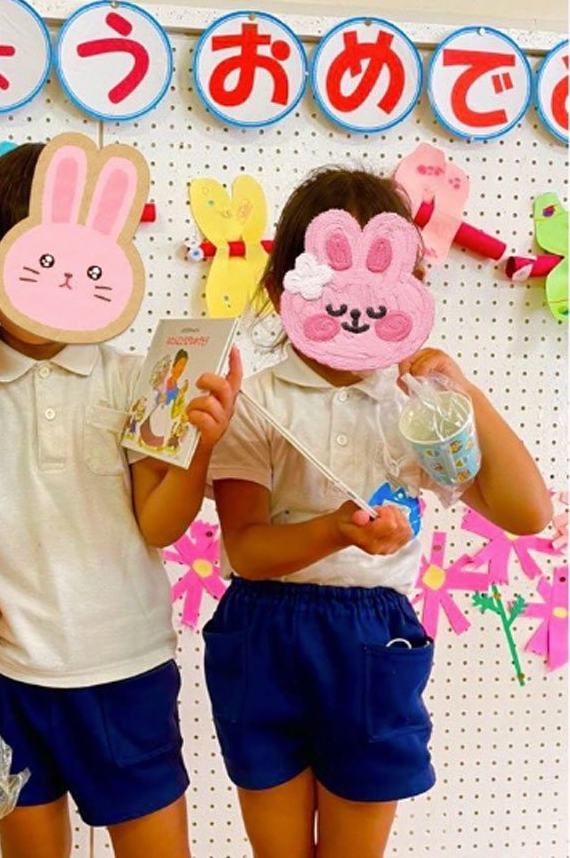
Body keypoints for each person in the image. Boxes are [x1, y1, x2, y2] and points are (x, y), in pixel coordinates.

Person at [0, 142, 242, 858]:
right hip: (7, 674)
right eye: (17, 250)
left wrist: (198, 449)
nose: (51, 277)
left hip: (126, 669)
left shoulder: (139, 378)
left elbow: (158, 525)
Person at [204, 168, 553, 858]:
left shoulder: (414, 406)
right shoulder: (257, 401)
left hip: (372, 635)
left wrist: (462, 390)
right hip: (262, 629)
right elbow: (246, 550)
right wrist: (333, 531)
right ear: (280, 289)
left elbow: (526, 511)